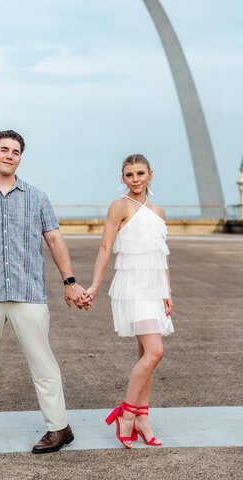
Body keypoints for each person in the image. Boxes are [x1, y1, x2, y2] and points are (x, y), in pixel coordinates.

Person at [0, 130, 90, 457]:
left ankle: (59, 427)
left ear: (20, 158)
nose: (9, 155)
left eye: (15, 152)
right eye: (4, 150)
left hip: (29, 293)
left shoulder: (37, 197)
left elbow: (55, 241)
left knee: (44, 364)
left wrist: (69, 282)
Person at [86, 154, 174, 449]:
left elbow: (161, 255)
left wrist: (167, 292)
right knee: (155, 352)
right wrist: (96, 285)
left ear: (150, 174)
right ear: (122, 178)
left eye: (140, 173)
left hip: (154, 289)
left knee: (145, 359)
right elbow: (105, 247)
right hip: (133, 287)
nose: (135, 179)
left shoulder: (159, 211)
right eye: (128, 175)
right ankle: (126, 413)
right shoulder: (120, 206)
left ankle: (142, 419)